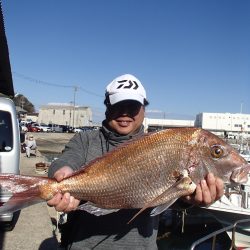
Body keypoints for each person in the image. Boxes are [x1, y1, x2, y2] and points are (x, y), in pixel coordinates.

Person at [47, 74, 224, 249]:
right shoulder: (85, 140)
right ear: (107, 107)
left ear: (143, 109)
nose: (125, 113)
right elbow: (66, 160)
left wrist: (189, 200)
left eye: (132, 106)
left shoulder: (159, 145)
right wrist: (61, 174)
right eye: (118, 105)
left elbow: (166, 197)